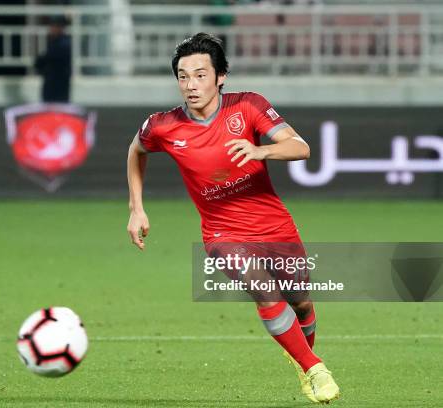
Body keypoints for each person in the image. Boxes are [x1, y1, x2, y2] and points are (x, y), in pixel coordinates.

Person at [126, 33, 339, 403]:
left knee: (301, 302)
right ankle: (314, 368)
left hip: (274, 225)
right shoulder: (163, 126)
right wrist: (136, 207)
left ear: (220, 75)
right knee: (261, 287)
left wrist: (260, 149)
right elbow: (136, 149)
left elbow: (300, 147)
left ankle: (301, 360)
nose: (190, 85)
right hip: (222, 232)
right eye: (182, 76)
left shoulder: (248, 107)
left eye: (200, 75)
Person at [35, 17, 71, 103]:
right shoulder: (54, 42)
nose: (52, 30)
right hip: (51, 84)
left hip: (59, 86)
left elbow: (47, 58)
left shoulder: (63, 44)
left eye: (55, 27)